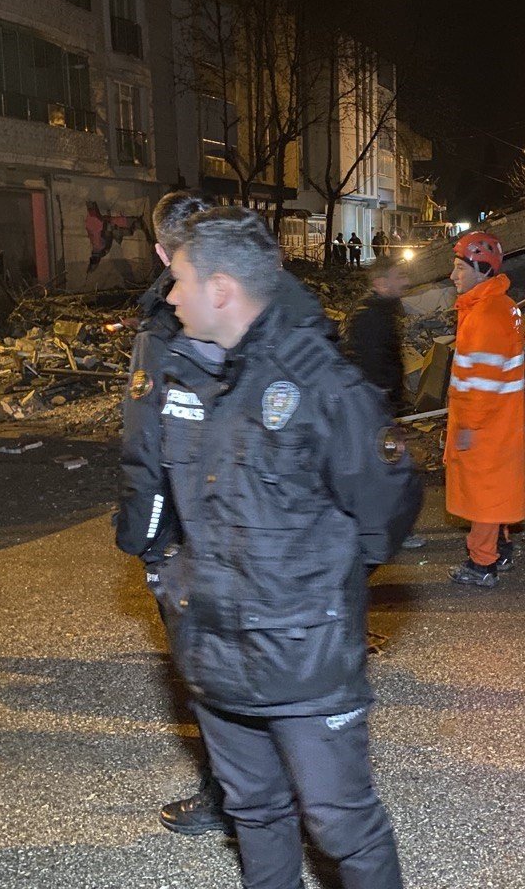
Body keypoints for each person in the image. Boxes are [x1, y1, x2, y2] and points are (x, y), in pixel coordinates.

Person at [160, 206, 422, 889]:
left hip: (303, 653)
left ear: (221, 289)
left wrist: (325, 582)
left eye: (180, 279)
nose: (170, 295)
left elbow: (387, 501)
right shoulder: (190, 374)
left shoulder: (319, 381)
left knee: (341, 825)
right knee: (252, 809)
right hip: (216, 648)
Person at [116, 189, 234, 837]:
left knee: (209, 669)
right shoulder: (261, 302)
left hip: (191, 530)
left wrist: (145, 538)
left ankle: (230, 796)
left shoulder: (162, 328)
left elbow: (147, 445)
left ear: (162, 253)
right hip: (254, 521)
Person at [444, 231, 525, 588]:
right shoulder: (499, 306)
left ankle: (482, 564)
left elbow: (480, 380)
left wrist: (467, 425)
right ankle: (501, 548)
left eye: (459, 268)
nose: (453, 276)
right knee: (496, 487)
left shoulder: (485, 315)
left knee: (483, 494)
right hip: (500, 418)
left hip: (484, 422)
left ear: (482, 270)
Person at [344, 255, 409, 413]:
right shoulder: (372, 316)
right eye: (398, 277)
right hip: (374, 406)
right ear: (381, 283)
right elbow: (373, 367)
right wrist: (387, 400)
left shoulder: (381, 310)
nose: (406, 282)